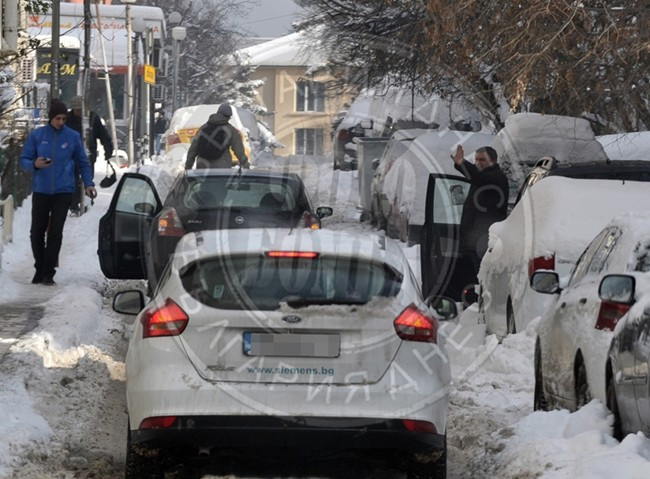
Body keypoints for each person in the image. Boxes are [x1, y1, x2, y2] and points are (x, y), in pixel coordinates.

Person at [19, 99, 96, 285]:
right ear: (50, 118)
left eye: (63, 118)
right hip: (41, 190)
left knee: (56, 231)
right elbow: (24, 160)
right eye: (57, 118)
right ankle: (40, 266)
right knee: (36, 231)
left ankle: (48, 272)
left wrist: (88, 183)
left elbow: (83, 161)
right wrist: (34, 165)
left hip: (63, 191)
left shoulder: (72, 137)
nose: (61, 122)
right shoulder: (38, 135)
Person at [452, 145, 509, 281]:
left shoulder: (495, 177)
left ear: (493, 161)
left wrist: (462, 164)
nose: (478, 163)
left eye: (482, 160)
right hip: (475, 238)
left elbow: (478, 177)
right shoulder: (483, 177)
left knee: (485, 277)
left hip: (485, 239)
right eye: (476, 159)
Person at [66, 96, 113, 214]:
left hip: (88, 155)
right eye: (76, 110)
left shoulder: (93, 119)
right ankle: (74, 204)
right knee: (72, 179)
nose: (78, 112)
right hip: (71, 156)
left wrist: (108, 150)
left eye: (80, 109)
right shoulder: (67, 119)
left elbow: (103, 135)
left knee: (87, 178)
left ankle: (87, 200)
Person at [184, 103, 249, 169]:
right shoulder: (230, 130)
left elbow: (193, 149)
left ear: (218, 112)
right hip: (222, 168)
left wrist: (188, 167)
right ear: (228, 116)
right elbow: (238, 149)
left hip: (203, 167)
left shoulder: (203, 128)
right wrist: (245, 164)